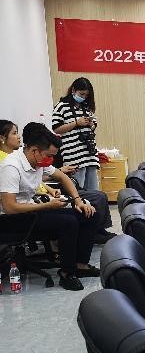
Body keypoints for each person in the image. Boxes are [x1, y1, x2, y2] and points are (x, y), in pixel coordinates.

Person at [0, 122, 102, 290]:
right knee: (68, 222)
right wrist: (47, 206)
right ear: (35, 151)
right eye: (49, 156)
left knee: (89, 214)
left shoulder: (39, 161)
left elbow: (63, 177)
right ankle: (67, 273)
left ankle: (80, 265)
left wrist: (78, 201)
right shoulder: (11, 167)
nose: (50, 160)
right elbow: (10, 207)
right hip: (11, 220)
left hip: (30, 211)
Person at [52, 77, 100, 191]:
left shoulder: (86, 106)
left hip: (89, 154)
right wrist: (77, 123)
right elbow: (56, 129)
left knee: (93, 191)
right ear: (73, 90)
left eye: (86, 95)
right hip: (73, 155)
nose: (83, 97)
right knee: (77, 190)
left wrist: (91, 124)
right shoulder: (62, 106)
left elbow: (93, 126)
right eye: (81, 94)